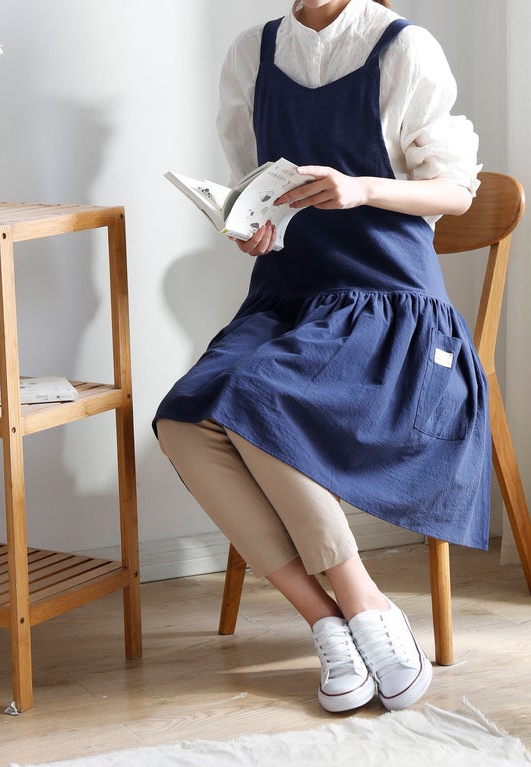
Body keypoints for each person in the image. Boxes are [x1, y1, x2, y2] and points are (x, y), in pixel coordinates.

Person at [155, 0, 487, 714]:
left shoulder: (404, 48)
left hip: (389, 303)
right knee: (183, 417)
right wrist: (254, 223)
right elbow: (261, 189)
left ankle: (367, 603)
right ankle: (329, 619)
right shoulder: (253, 52)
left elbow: (455, 193)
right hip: (286, 298)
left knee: (255, 397)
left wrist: (360, 187)